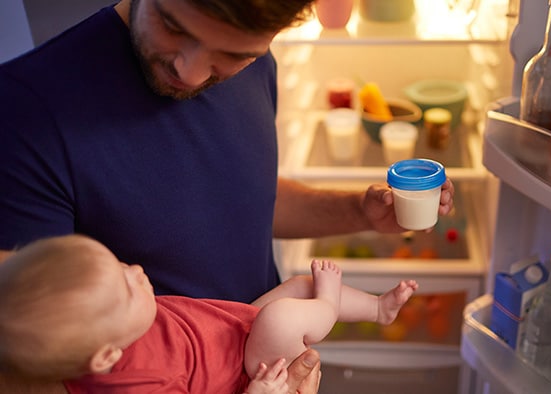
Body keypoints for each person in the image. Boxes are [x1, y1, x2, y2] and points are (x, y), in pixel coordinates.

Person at [0, 0, 454, 391]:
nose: (191, 72)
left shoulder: (259, 64)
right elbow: (18, 370)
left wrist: (360, 210)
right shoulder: (22, 113)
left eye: (230, 55)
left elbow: (245, 195)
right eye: (174, 26)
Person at [0, 234, 419, 394]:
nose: (135, 270)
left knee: (297, 288)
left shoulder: (100, 332)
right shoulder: (138, 385)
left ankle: (377, 309)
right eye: (126, 287)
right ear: (107, 357)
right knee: (282, 319)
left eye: (119, 265)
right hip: (249, 370)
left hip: (230, 332)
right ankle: (328, 306)